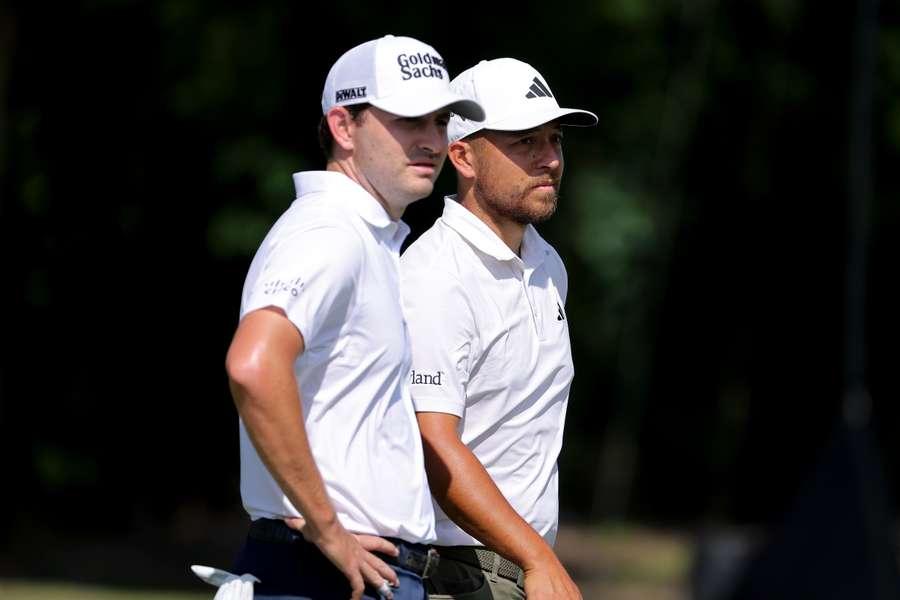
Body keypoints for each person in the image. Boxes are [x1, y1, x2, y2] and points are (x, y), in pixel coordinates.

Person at [200, 35, 485, 600]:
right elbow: (253, 366)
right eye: (409, 121)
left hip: (349, 569)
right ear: (343, 126)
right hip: (324, 572)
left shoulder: (364, 237)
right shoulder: (331, 232)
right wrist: (328, 528)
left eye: (439, 122)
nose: (432, 140)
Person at [399, 58, 597, 600]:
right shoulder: (435, 276)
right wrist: (539, 559)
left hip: (517, 564)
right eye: (524, 142)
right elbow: (432, 442)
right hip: (452, 572)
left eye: (554, 139)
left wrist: (534, 559)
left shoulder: (547, 263)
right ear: (462, 155)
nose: (550, 159)